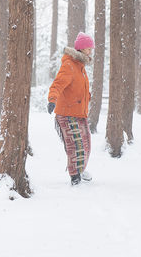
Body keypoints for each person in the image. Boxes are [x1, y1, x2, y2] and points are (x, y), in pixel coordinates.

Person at [47, 31, 94, 185]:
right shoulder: (69, 65)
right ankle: (75, 177)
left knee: (86, 144)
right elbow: (58, 84)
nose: (90, 51)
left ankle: (80, 169)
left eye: (91, 49)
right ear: (80, 49)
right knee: (76, 145)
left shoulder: (81, 66)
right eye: (88, 48)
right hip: (67, 113)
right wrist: (52, 99)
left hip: (80, 113)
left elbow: (80, 88)